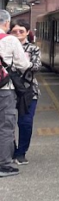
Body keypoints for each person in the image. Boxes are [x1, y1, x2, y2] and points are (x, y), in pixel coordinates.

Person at [0, 10, 30, 177]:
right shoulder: (10, 40)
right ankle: (4, 165)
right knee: (5, 126)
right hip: (5, 90)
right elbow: (24, 65)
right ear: (6, 23)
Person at [11, 24, 40, 164]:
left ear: (27, 32)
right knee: (7, 123)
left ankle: (21, 152)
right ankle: (11, 150)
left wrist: (20, 64)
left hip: (29, 90)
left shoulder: (33, 48)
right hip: (8, 89)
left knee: (25, 122)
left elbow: (36, 66)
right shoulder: (5, 46)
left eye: (21, 31)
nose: (18, 33)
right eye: (14, 31)